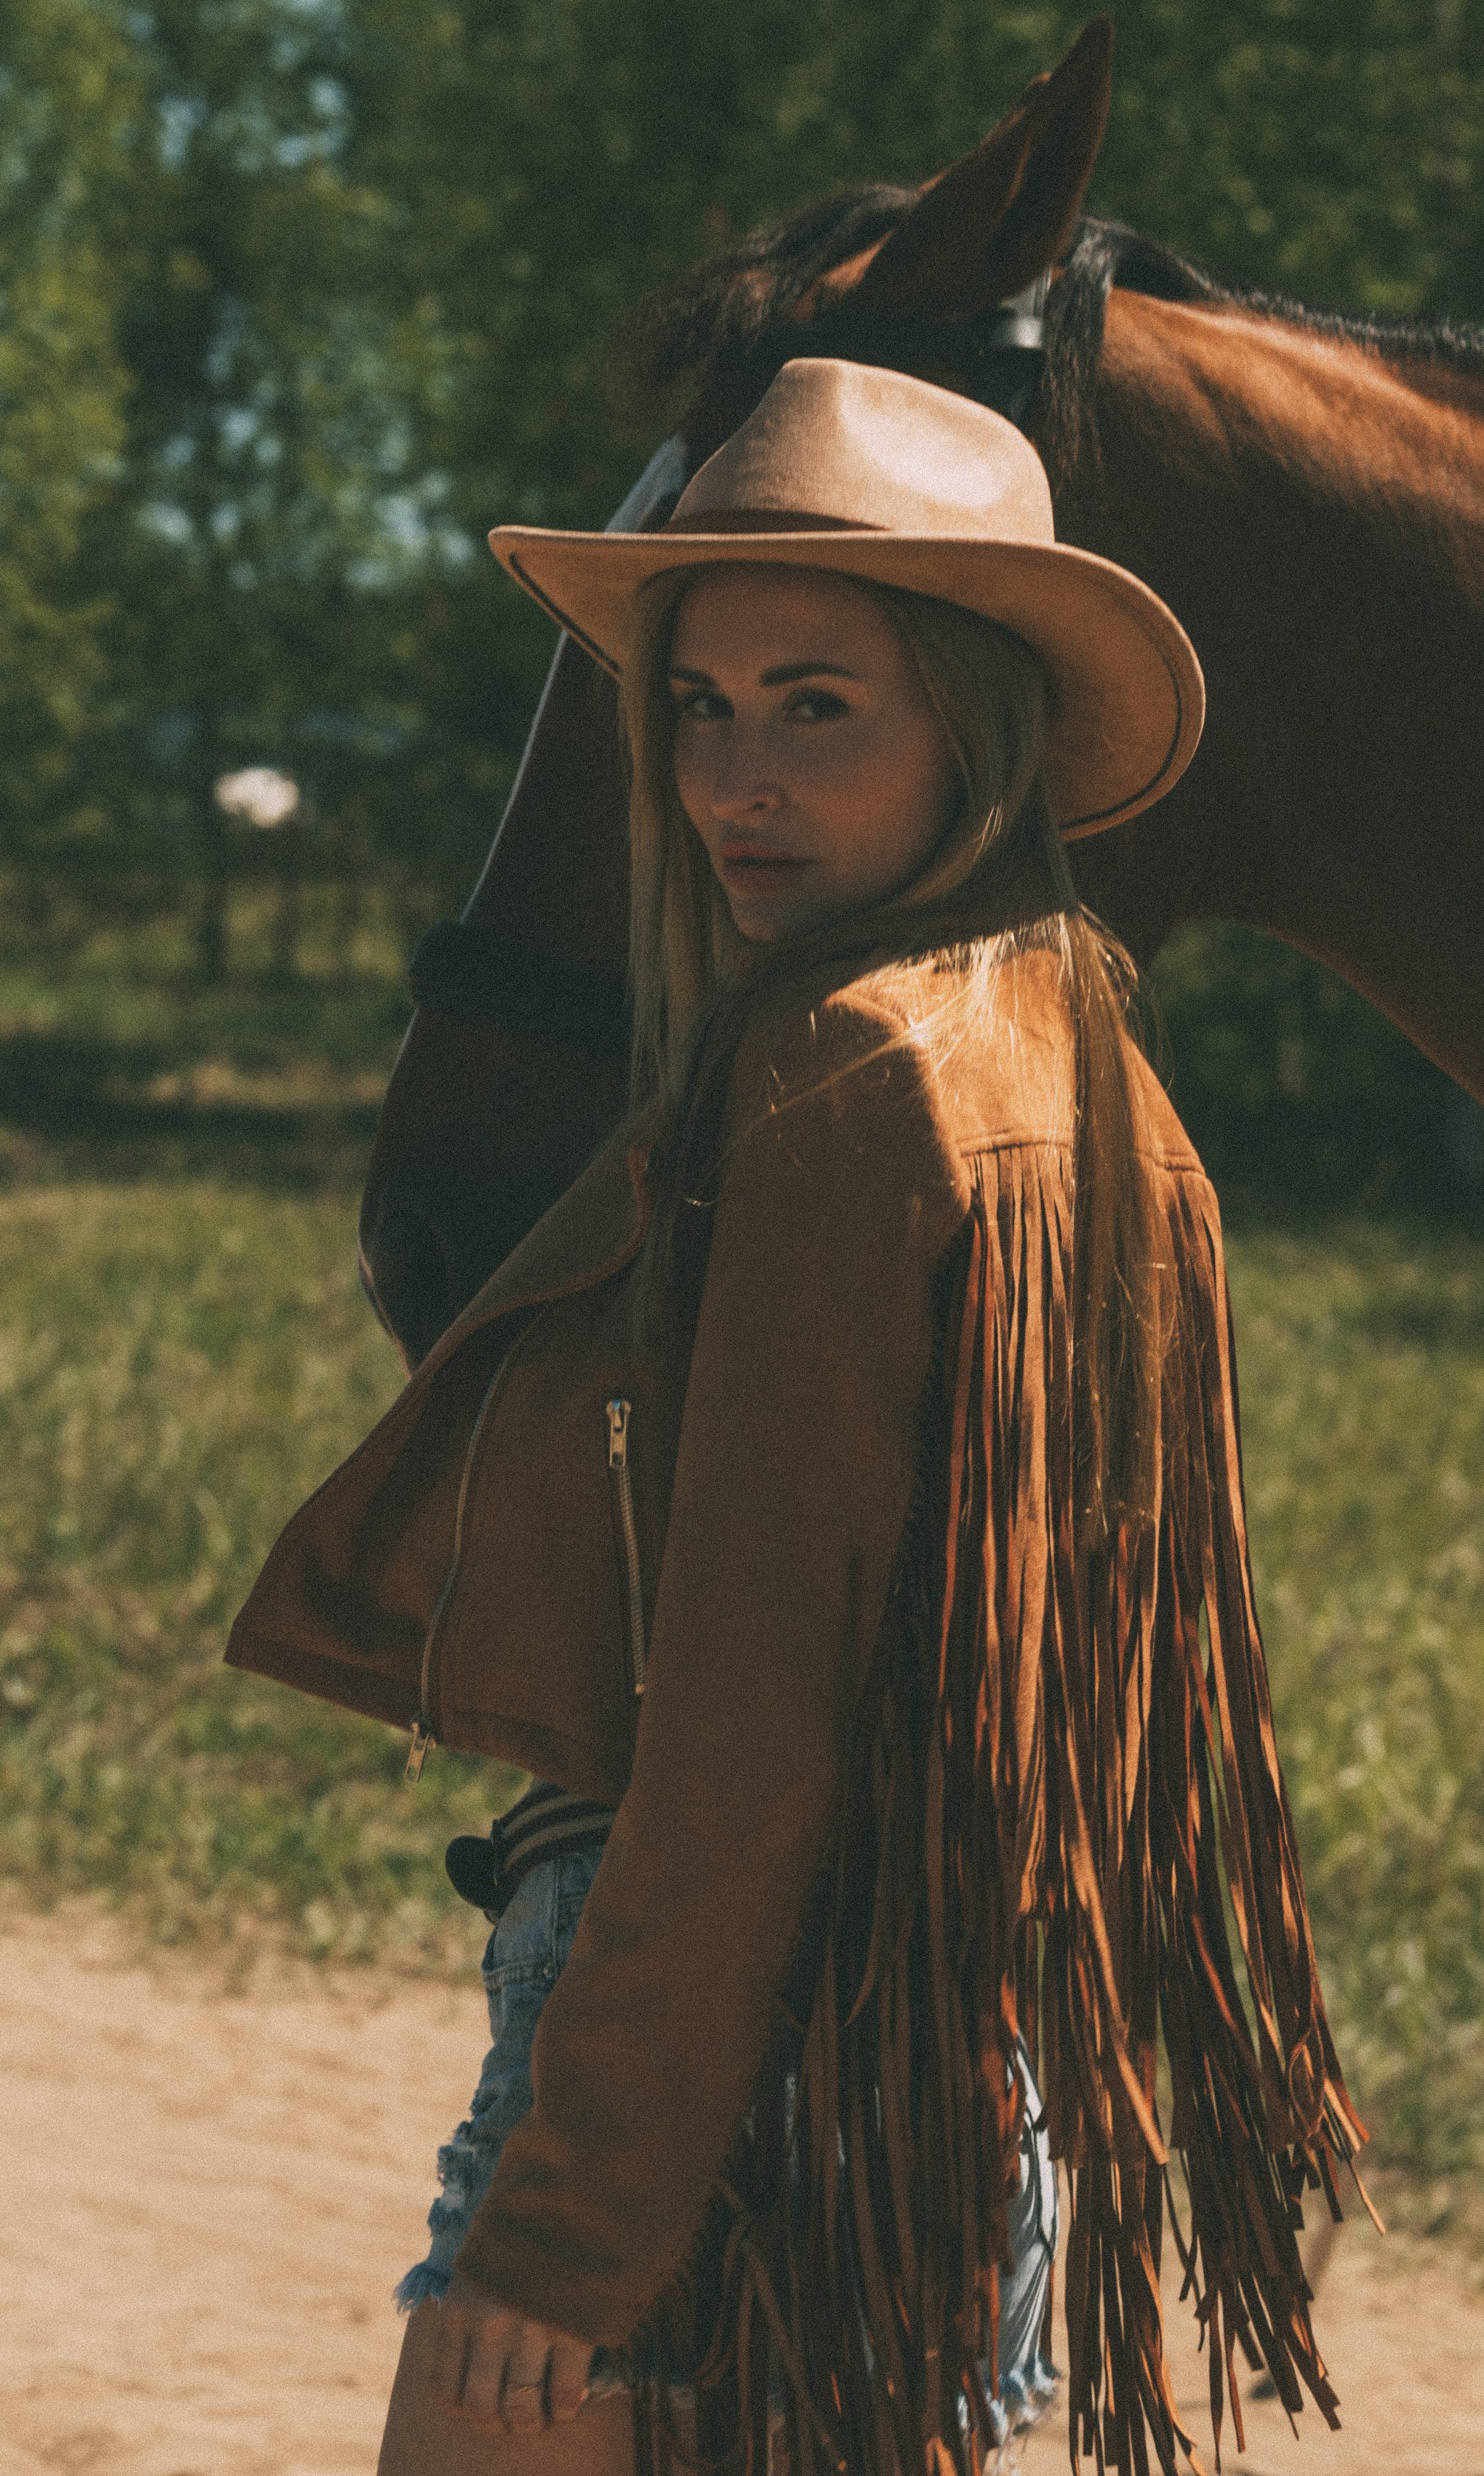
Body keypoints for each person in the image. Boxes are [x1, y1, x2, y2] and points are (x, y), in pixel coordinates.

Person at [227, 360, 1365, 2476]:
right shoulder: (1094, 1071)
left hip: (709, 2078)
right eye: (701, 706)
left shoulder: (842, 1076)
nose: (737, 777)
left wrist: (568, 2237)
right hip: (956, 2047)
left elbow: (752, 1722)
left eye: (817, 706)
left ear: (977, 713)